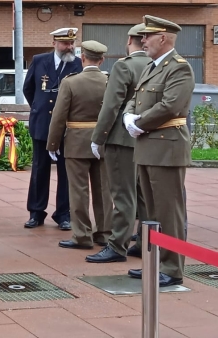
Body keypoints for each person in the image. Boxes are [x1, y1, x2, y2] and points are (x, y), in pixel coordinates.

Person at [124, 15, 195, 287]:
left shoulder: (179, 68)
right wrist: (129, 117)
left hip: (166, 147)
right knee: (150, 213)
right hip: (147, 146)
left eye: (147, 36)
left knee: (169, 212)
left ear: (162, 38)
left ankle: (172, 267)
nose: (143, 41)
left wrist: (138, 122)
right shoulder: (153, 67)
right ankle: (154, 263)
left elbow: (170, 106)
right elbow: (135, 98)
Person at [87, 24, 151, 263]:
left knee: (122, 194)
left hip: (121, 139)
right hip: (145, 137)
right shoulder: (156, 65)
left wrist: (98, 137)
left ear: (129, 40)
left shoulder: (124, 66)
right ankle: (144, 241)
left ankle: (117, 245)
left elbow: (111, 105)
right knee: (143, 194)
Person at [47, 40, 112, 249]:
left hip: (76, 142)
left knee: (78, 191)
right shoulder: (109, 81)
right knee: (103, 190)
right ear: (102, 60)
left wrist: (53, 143)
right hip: (103, 141)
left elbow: (59, 116)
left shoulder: (70, 82)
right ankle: (104, 232)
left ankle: (82, 235)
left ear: (82, 58)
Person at [22, 27, 83, 230]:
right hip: (42, 124)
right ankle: (36, 212)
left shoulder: (77, 64)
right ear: (54, 43)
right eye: (65, 43)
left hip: (67, 126)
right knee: (40, 169)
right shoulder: (40, 61)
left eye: (72, 43)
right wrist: (39, 108)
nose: (70, 47)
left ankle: (64, 214)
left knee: (66, 172)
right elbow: (28, 88)